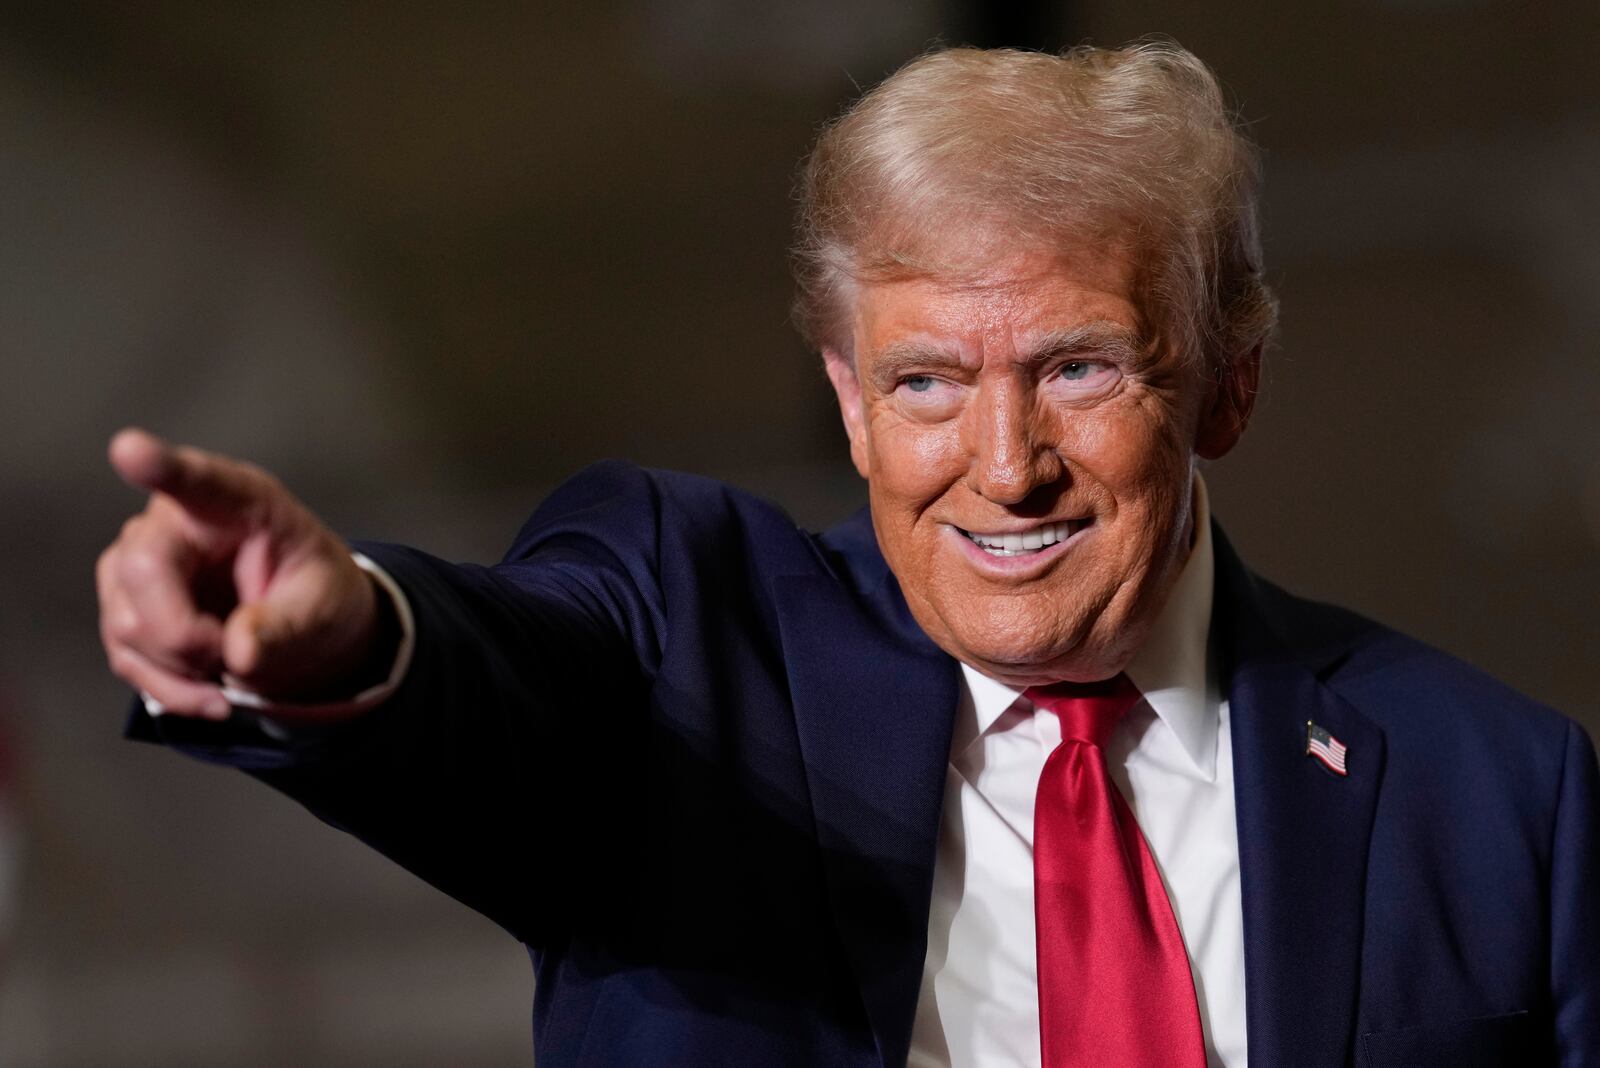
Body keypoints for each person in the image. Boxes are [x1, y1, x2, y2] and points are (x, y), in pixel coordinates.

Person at [96, 42, 1596, 1067]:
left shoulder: (1502, 799)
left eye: (1079, 369)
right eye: (927, 382)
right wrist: (350, 640)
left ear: (1227, 386)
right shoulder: (691, 635)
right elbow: (502, 689)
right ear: (848, 405)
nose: (1005, 471)